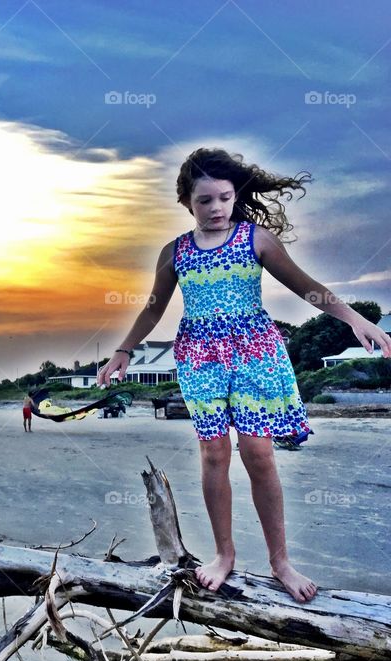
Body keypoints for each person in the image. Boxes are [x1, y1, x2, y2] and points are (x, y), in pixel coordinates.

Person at [97, 148, 391, 604]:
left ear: (236, 197)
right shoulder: (174, 251)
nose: (216, 208)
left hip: (255, 352)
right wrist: (123, 350)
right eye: (205, 201)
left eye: (224, 198)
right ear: (186, 202)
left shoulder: (256, 239)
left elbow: (306, 285)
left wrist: (355, 319)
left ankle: (280, 561)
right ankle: (224, 554)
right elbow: (154, 307)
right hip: (198, 356)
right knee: (214, 455)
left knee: (258, 454)